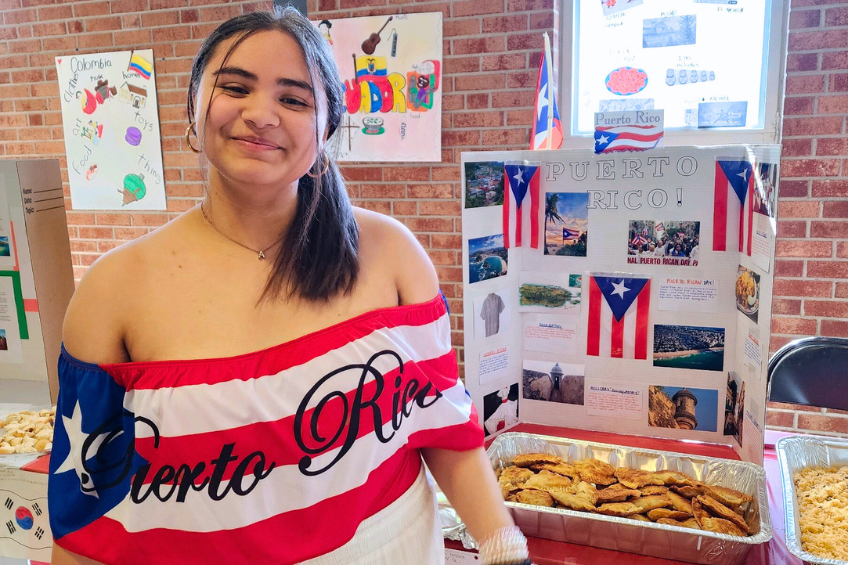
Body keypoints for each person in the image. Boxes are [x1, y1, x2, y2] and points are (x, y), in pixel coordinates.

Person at [49, 9, 529, 565]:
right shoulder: (113, 290)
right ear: (192, 105)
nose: (260, 115)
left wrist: (505, 550)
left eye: (294, 99)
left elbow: (445, 428)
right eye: (235, 87)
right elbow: (84, 508)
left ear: (325, 130)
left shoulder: (391, 254)